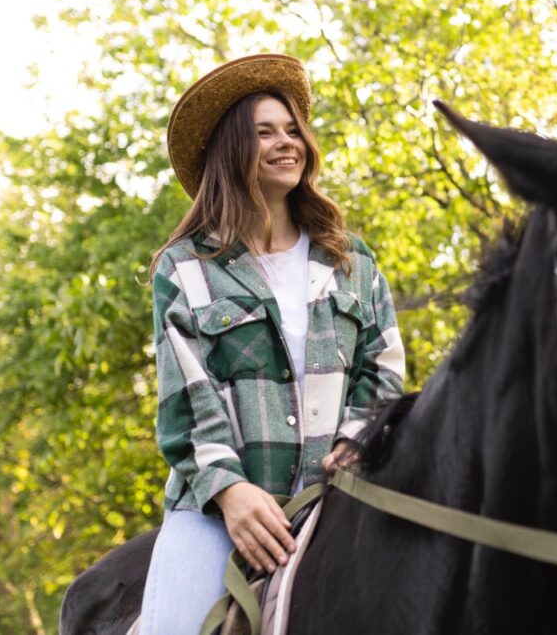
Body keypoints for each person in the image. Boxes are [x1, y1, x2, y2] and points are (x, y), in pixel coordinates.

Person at [139, 54, 406, 633]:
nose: (288, 143)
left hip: (336, 500)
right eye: (265, 133)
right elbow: (187, 400)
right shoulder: (184, 269)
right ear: (230, 150)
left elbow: (382, 367)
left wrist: (356, 441)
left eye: (292, 131)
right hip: (215, 512)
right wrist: (231, 493)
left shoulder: (350, 260)